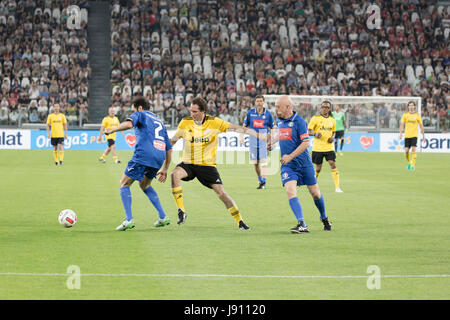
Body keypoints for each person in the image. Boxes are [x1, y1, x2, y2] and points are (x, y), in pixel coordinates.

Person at [170, 96, 252, 230]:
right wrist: (160, 145)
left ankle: (240, 221)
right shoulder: (185, 122)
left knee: (221, 193)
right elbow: (173, 141)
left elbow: (234, 128)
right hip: (188, 163)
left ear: (203, 111)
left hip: (207, 166)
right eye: (191, 111)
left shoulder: (215, 122)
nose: (192, 114)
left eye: (195, 112)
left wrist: (256, 134)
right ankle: (181, 211)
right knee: (174, 174)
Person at [104, 96, 173, 231]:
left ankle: (128, 220)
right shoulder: (159, 121)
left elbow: (129, 124)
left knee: (124, 183)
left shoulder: (140, 114)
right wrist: (165, 168)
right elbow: (169, 148)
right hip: (159, 157)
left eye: (133, 110)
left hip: (144, 155)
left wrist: (112, 130)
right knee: (145, 184)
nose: (132, 113)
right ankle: (163, 216)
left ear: (140, 108)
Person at [268, 96, 331, 233]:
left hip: (304, 164)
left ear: (288, 107)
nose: (276, 109)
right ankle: (302, 223)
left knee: (315, 193)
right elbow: (281, 134)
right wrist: (272, 143)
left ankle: (324, 217)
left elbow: (305, 143)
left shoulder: (299, 122)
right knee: (290, 190)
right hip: (288, 165)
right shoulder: (279, 121)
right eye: (276, 106)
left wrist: (290, 156)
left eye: (278, 106)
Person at [308, 101, 343, 193]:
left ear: (329, 109)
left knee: (332, 163)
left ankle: (337, 187)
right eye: (323, 107)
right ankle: (313, 185)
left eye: (327, 107)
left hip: (329, 147)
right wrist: (315, 134)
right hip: (318, 148)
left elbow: (334, 132)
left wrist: (332, 137)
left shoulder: (332, 120)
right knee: (318, 168)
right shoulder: (315, 118)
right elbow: (308, 131)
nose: (325, 109)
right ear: (321, 108)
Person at [240, 95, 274, 189]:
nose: (259, 103)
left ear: (264, 102)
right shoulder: (250, 113)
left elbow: (272, 127)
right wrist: (242, 136)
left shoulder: (268, 114)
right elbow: (244, 125)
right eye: (257, 101)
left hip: (263, 139)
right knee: (255, 163)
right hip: (253, 139)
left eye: (260, 101)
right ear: (255, 103)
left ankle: (263, 181)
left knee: (264, 161)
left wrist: (272, 140)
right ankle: (260, 179)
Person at [399, 101, 425, 171]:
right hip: (407, 135)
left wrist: (423, 136)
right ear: (408, 107)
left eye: (412, 105)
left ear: (414, 107)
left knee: (413, 149)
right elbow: (402, 125)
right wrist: (401, 133)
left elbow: (421, 126)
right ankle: (409, 162)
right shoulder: (405, 115)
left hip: (414, 135)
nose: (411, 107)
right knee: (406, 151)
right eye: (409, 105)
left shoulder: (417, 115)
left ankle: (413, 165)